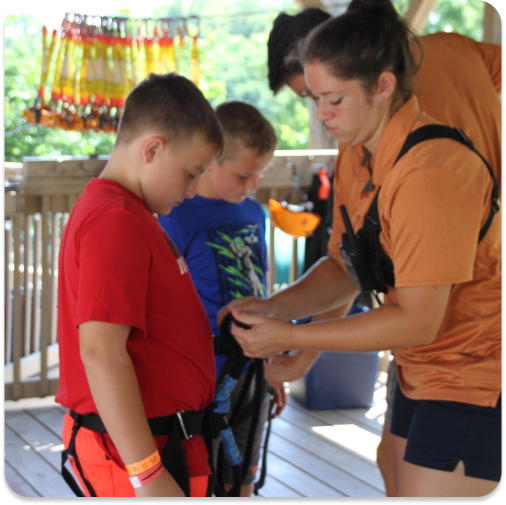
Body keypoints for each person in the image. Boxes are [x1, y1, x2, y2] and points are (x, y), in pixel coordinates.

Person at [220, 0, 501, 498]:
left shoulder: (430, 171)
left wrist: (292, 336)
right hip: (418, 364)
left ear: (383, 86)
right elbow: (346, 267)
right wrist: (275, 306)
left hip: (471, 368)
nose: (322, 115)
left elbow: (418, 320)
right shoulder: (358, 150)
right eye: (315, 100)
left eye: (333, 99)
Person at [56, 73, 224, 498]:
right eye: (190, 174)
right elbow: (101, 350)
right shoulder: (115, 220)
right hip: (138, 452)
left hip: (164, 441)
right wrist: (147, 473)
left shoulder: (132, 214)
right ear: (152, 149)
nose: (191, 190)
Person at [159, 100, 284, 497]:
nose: (252, 186)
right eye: (244, 175)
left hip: (251, 367)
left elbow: (258, 285)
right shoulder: (177, 217)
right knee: (199, 474)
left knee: (242, 471)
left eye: (259, 176)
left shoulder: (254, 213)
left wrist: (272, 363)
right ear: (211, 159)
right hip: (201, 372)